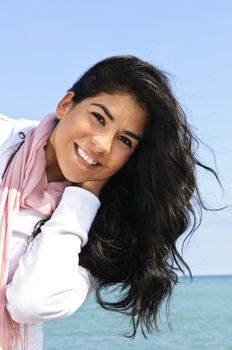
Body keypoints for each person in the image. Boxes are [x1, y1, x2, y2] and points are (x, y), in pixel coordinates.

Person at [0, 55, 217, 350]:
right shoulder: (4, 140)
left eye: (124, 141)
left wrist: (85, 196)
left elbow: (30, 303)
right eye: (99, 118)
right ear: (65, 105)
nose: (102, 145)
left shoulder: (106, 234)